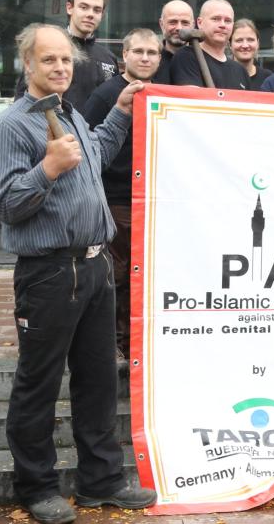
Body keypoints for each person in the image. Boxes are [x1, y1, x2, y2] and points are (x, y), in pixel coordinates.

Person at [0, 24, 156, 524]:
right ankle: (37, 488)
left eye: (66, 60)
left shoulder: (68, 111)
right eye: (49, 61)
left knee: (99, 379)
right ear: (28, 65)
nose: (60, 68)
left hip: (95, 266)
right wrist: (47, 170)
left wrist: (120, 112)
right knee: (38, 383)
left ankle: (100, 481)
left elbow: (95, 155)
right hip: (50, 273)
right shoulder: (11, 128)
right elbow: (9, 206)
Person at [81, 28, 162, 361]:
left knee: (140, 276)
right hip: (116, 199)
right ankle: (112, 344)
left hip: (149, 200)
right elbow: (89, 144)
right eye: (138, 51)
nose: (145, 58)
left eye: (152, 53)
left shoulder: (158, 93)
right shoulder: (106, 94)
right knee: (116, 275)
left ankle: (133, 342)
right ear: (124, 56)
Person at [15, 0, 117, 109]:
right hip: (52, 128)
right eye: (84, 7)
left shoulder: (108, 58)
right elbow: (23, 99)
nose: (90, 14)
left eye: (97, 10)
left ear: (102, 15)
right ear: (69, 8)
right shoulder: (47, 49)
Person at [170, 0, 249, 90]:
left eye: (227, 21)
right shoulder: (186, 57)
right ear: (200, 23)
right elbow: (192, 100)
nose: (222, 25)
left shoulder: (240, 71)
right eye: (215, 19)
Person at [153, 0, 194, 85]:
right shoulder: (150, 60)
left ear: (193, 25)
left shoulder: (203, 60)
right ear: (162, 24)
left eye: (185, 23)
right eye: (173, 22)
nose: (179, 27)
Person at [230, 18, 273, 91]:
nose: (245, 45)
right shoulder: (222, 76)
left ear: (258, 43)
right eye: (239, 40)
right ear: (230, 45)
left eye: (250, 40)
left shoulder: (268, 78)